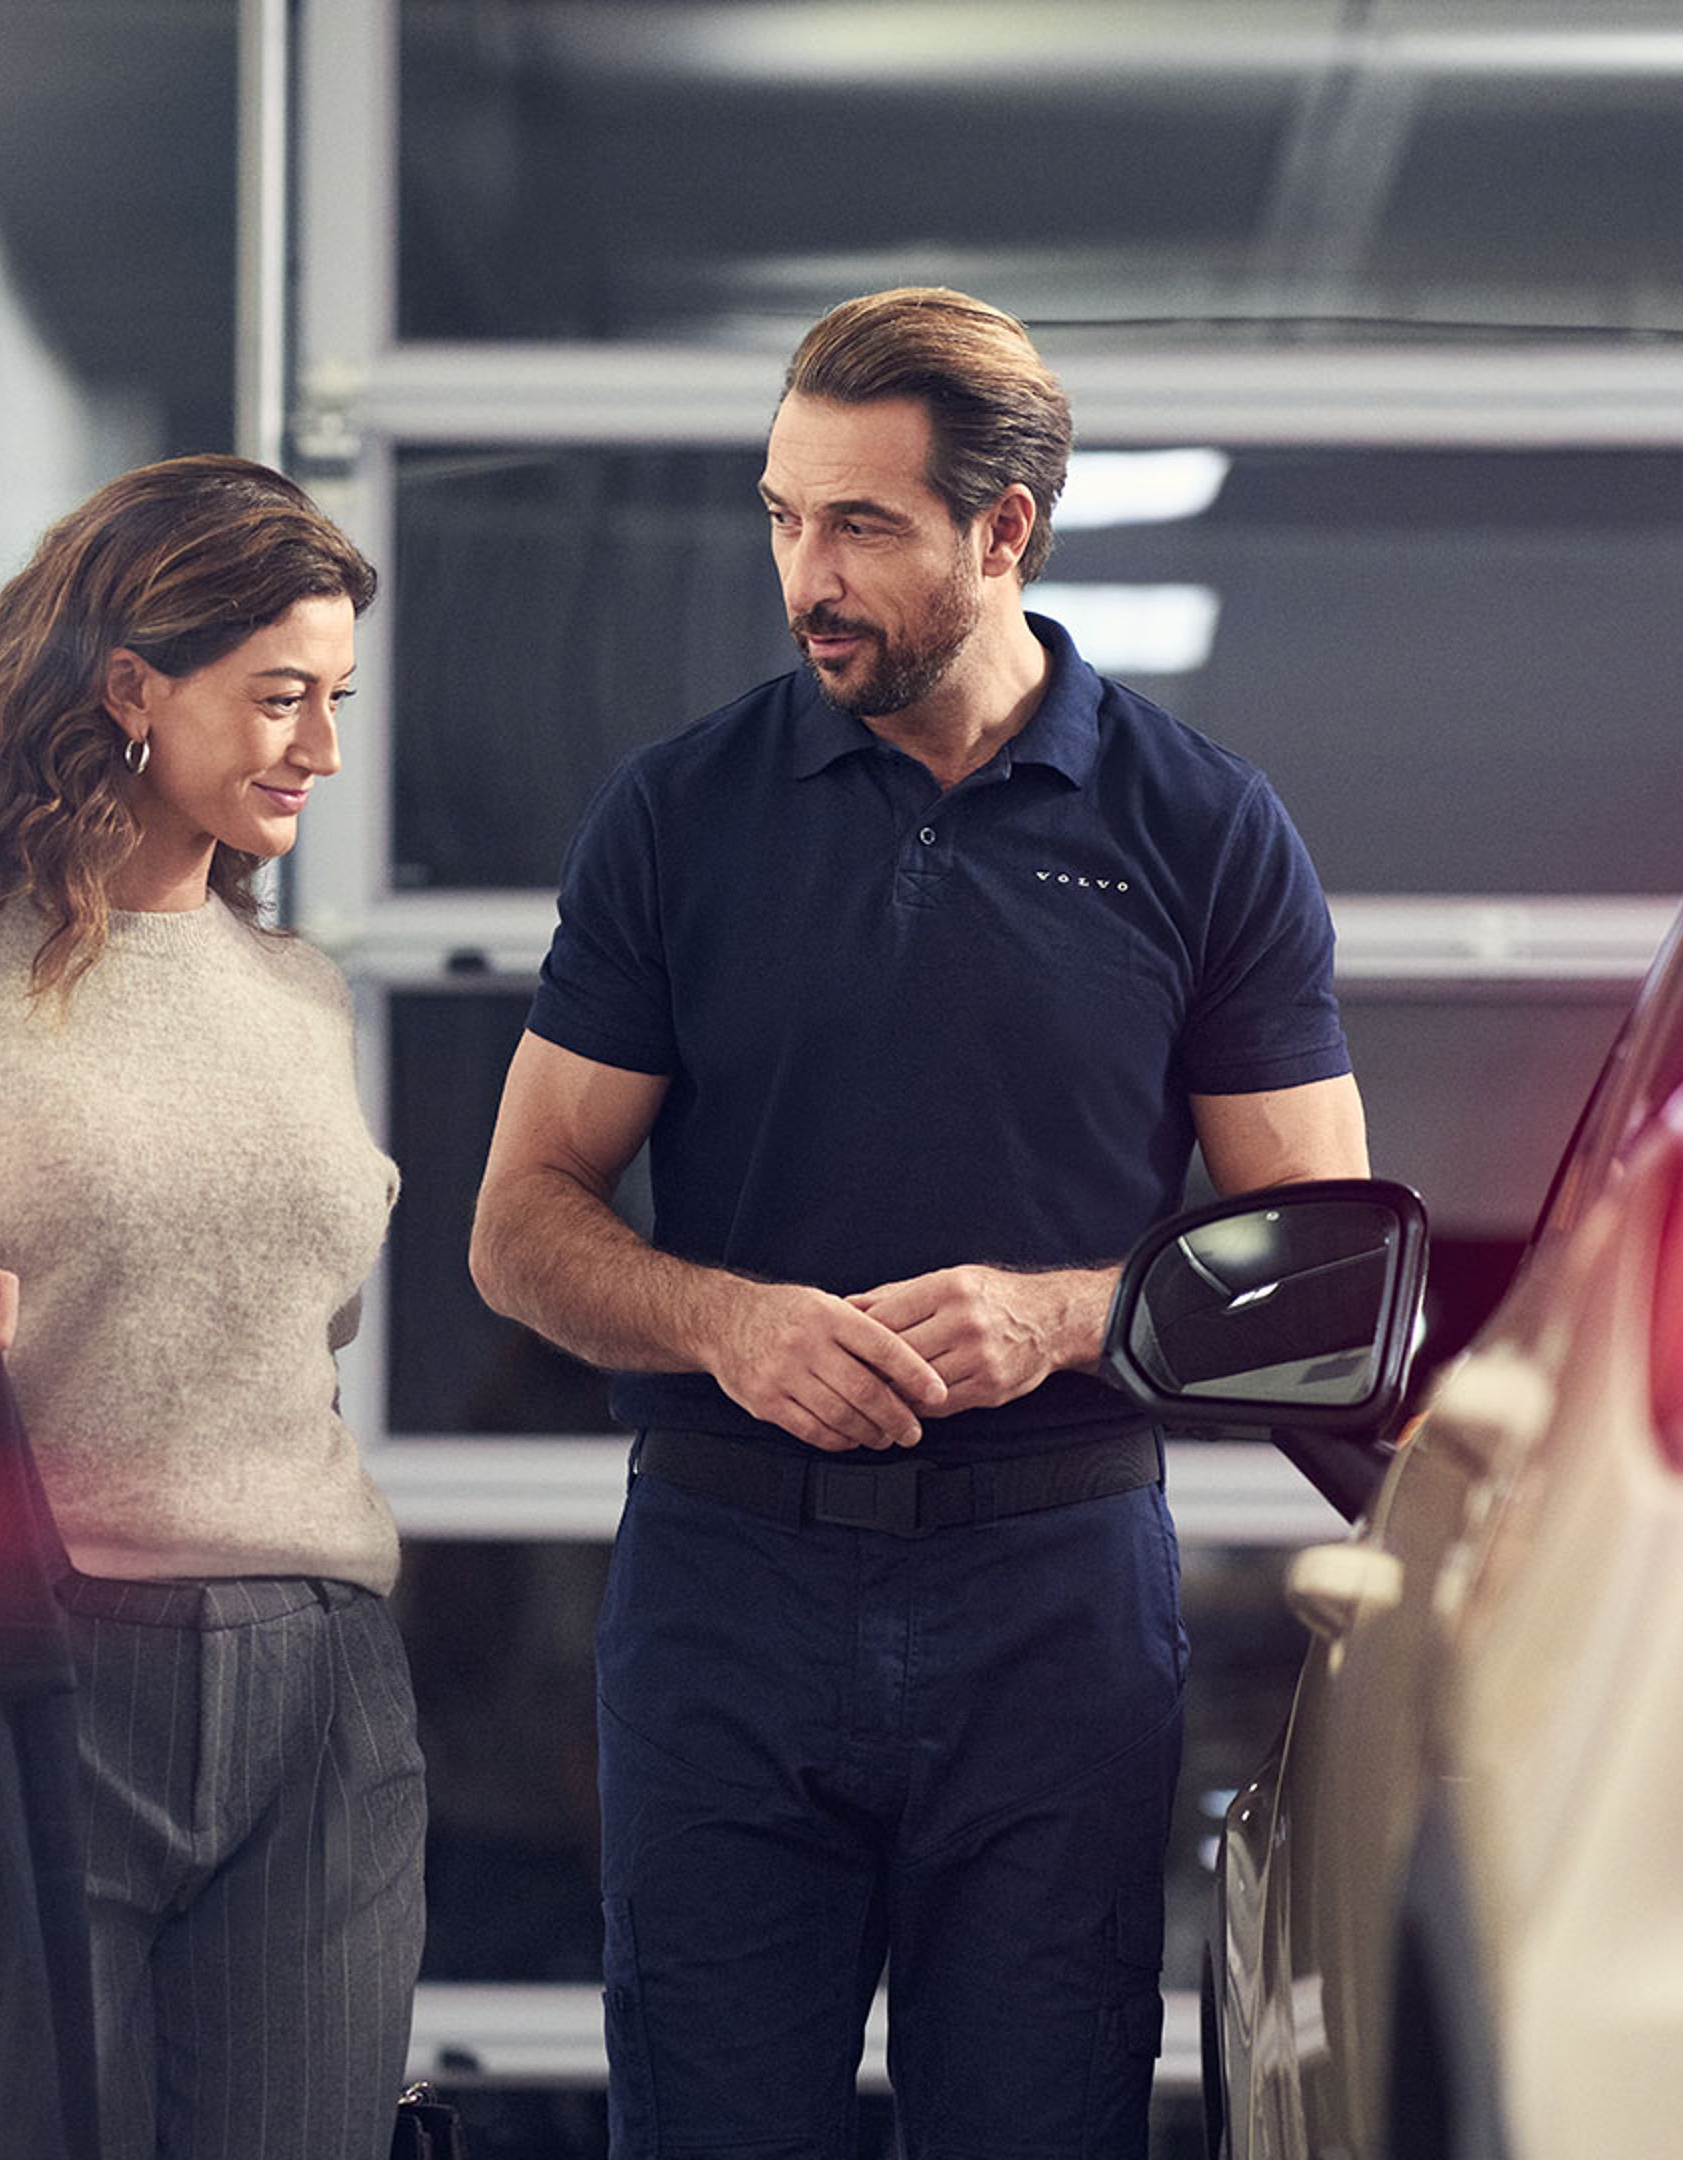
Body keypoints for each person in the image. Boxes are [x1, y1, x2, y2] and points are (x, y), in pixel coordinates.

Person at [469, 288, 1368, 2158]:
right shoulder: (677, 816)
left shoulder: (1201, 828)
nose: (810, 574)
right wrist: (729, 1324)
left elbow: (1319, 1276)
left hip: (1052, 1608)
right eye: (785, 516)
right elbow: (522, 1227)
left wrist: (1059, 1314)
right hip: (728, 1599)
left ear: (1004, 532)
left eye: (861, 525)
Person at [0, 454, 424, 2160]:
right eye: (276, 699)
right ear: (130, 688)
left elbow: (287, 1349)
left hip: (322, 1688)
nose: (318, 750)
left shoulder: (299, 995)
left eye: (333, 700)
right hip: (27, 1672)